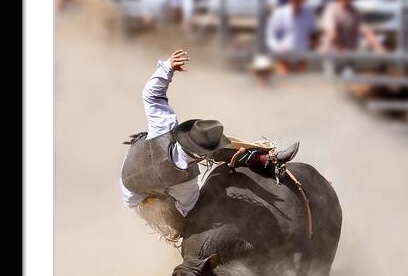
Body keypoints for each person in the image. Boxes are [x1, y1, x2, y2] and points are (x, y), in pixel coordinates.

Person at [120, 49, 299, 239]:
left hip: (131, 187)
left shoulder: (164, 127)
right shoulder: (186, 185)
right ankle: (263, 159)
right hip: (144, 199)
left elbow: (150, 95)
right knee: (182, 225)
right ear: (200, 155)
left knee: (181, 211)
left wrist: (167, 67)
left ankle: (261, 158)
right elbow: (187, 209)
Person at [265, 0, 317, 75]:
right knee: (283, 81)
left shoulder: (309, 13)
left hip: (302, 55)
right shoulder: (279, 13)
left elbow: (313, 33)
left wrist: (312, 45)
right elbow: (271, 36)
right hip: (283, 55)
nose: (297, 1)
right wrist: (279, 49)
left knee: (301, 84)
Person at [320, 0, 384, 53]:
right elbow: (331, 33)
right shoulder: (331, 9)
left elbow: (367, 31)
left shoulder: (355, 12)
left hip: (350, 52)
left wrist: (379, 48)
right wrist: (342, 49)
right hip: (332, 52)